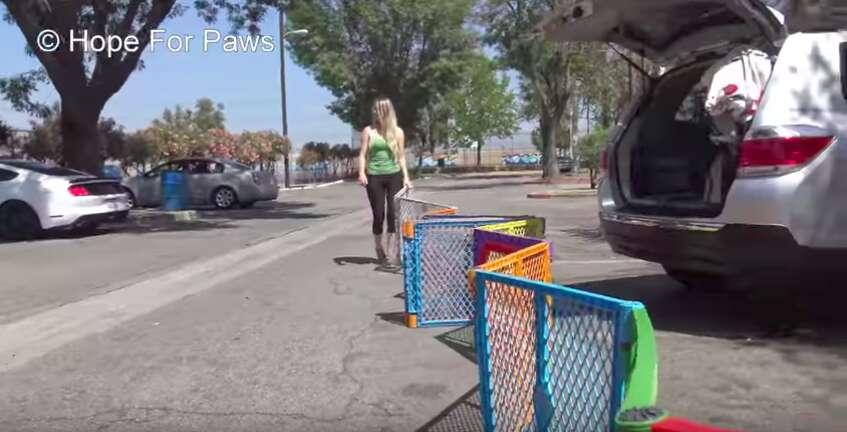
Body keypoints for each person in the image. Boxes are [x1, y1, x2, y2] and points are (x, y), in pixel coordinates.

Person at [358, 97, 412, 264]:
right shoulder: (369, 131)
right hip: (374, 175)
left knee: (393, 214)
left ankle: (391, 251)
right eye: (375, 110)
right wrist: (362, 172)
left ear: (386, 112)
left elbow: (401, 156)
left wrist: (407, 178)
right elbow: (362, 154)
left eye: (379, 110)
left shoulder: (398, 132)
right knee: (379, 214)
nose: (376, 113)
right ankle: (378, 247)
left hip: (394, 174)